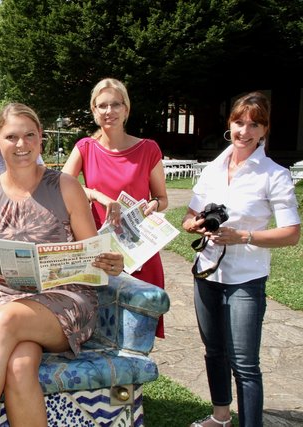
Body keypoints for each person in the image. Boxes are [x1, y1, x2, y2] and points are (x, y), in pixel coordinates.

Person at [0, 103, 124, 426]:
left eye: (30, 135)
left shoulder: (65, 186)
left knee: (4, 322)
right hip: (10, 300)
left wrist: (110, 261)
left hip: (67, 302)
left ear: (41, 138)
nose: (21, 145)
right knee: (19, 366)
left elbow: (95, 254)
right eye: (12, 137)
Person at [182, 92, 300, 427]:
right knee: (213, 351)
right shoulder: (214, 168)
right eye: (239, 122)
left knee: (245, 363)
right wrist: (195, 223)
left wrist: (243, 237)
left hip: (246, 277)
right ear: (229, 124)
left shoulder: (273, 174)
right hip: (207, 272)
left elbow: (291, 233)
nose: (244, 130)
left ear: (264, 130)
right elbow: (189, 216)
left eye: (253, 124)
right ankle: (221, 417)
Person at [61, 77, 168, 338]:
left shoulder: (148, 149)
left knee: (137, 335)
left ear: (126, 109)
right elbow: (61, 186)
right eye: (102, 106)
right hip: (98, 249)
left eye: (116, 105)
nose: (109, 111)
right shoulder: (85, 147)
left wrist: (154, 205)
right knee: (97, 330)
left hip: (138, 251)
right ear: (94, 111)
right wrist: (95, 194)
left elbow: (162, 198)